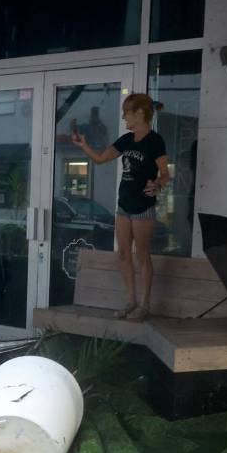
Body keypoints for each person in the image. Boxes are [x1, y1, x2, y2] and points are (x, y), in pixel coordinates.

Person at [71, 93, 171, 321]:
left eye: (127, 112)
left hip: (143, 206)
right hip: (123, 205)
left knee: (142, 255)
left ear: (139, 114)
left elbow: (165, 174)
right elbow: (100, 158)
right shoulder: (126, 140)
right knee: (124, 254)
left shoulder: (155, 141)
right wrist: (83, 145)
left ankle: (145, 304)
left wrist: (157, 184)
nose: (124, 117)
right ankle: (131, 301)